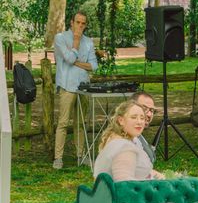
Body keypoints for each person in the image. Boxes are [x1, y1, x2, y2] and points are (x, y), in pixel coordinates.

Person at [52, 11, 98, 169]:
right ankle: (58, 158)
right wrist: (76, 42)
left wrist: (76, 62)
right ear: (71, 22)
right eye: (77, 22)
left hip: (83, 87)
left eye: (83, 23)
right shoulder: (60, 38)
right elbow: (70, 59)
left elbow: (94, 66)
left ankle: (80, 155)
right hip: (67, 86)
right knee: (63, 123)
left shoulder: (89, 42)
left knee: (81, 123)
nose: (80, 26)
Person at [93, 101, 164, 182]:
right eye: (133, 117)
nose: (139, 122)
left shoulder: (118, 137)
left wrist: (156, 175)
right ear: (121, 120)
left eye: (142, 118)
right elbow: (125, 184)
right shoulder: (123, 148)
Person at [131, 91, 157, 164]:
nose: (149, 114)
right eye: (144, 108)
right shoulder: (123, 137)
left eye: (152, 110)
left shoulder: (137, 135)